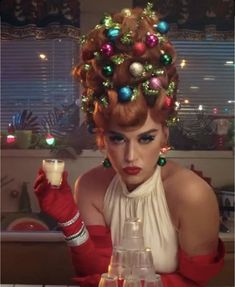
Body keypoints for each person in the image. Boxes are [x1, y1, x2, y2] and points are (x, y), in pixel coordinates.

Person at [34, 4, 225, 287]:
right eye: (117, 138)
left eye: (145, 138)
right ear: (101, 137)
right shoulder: (89, 186)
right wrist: (70, 220)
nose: (130, 156)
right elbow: (96, 272)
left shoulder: (192, 195)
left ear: (164, 134)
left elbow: (194, 283)